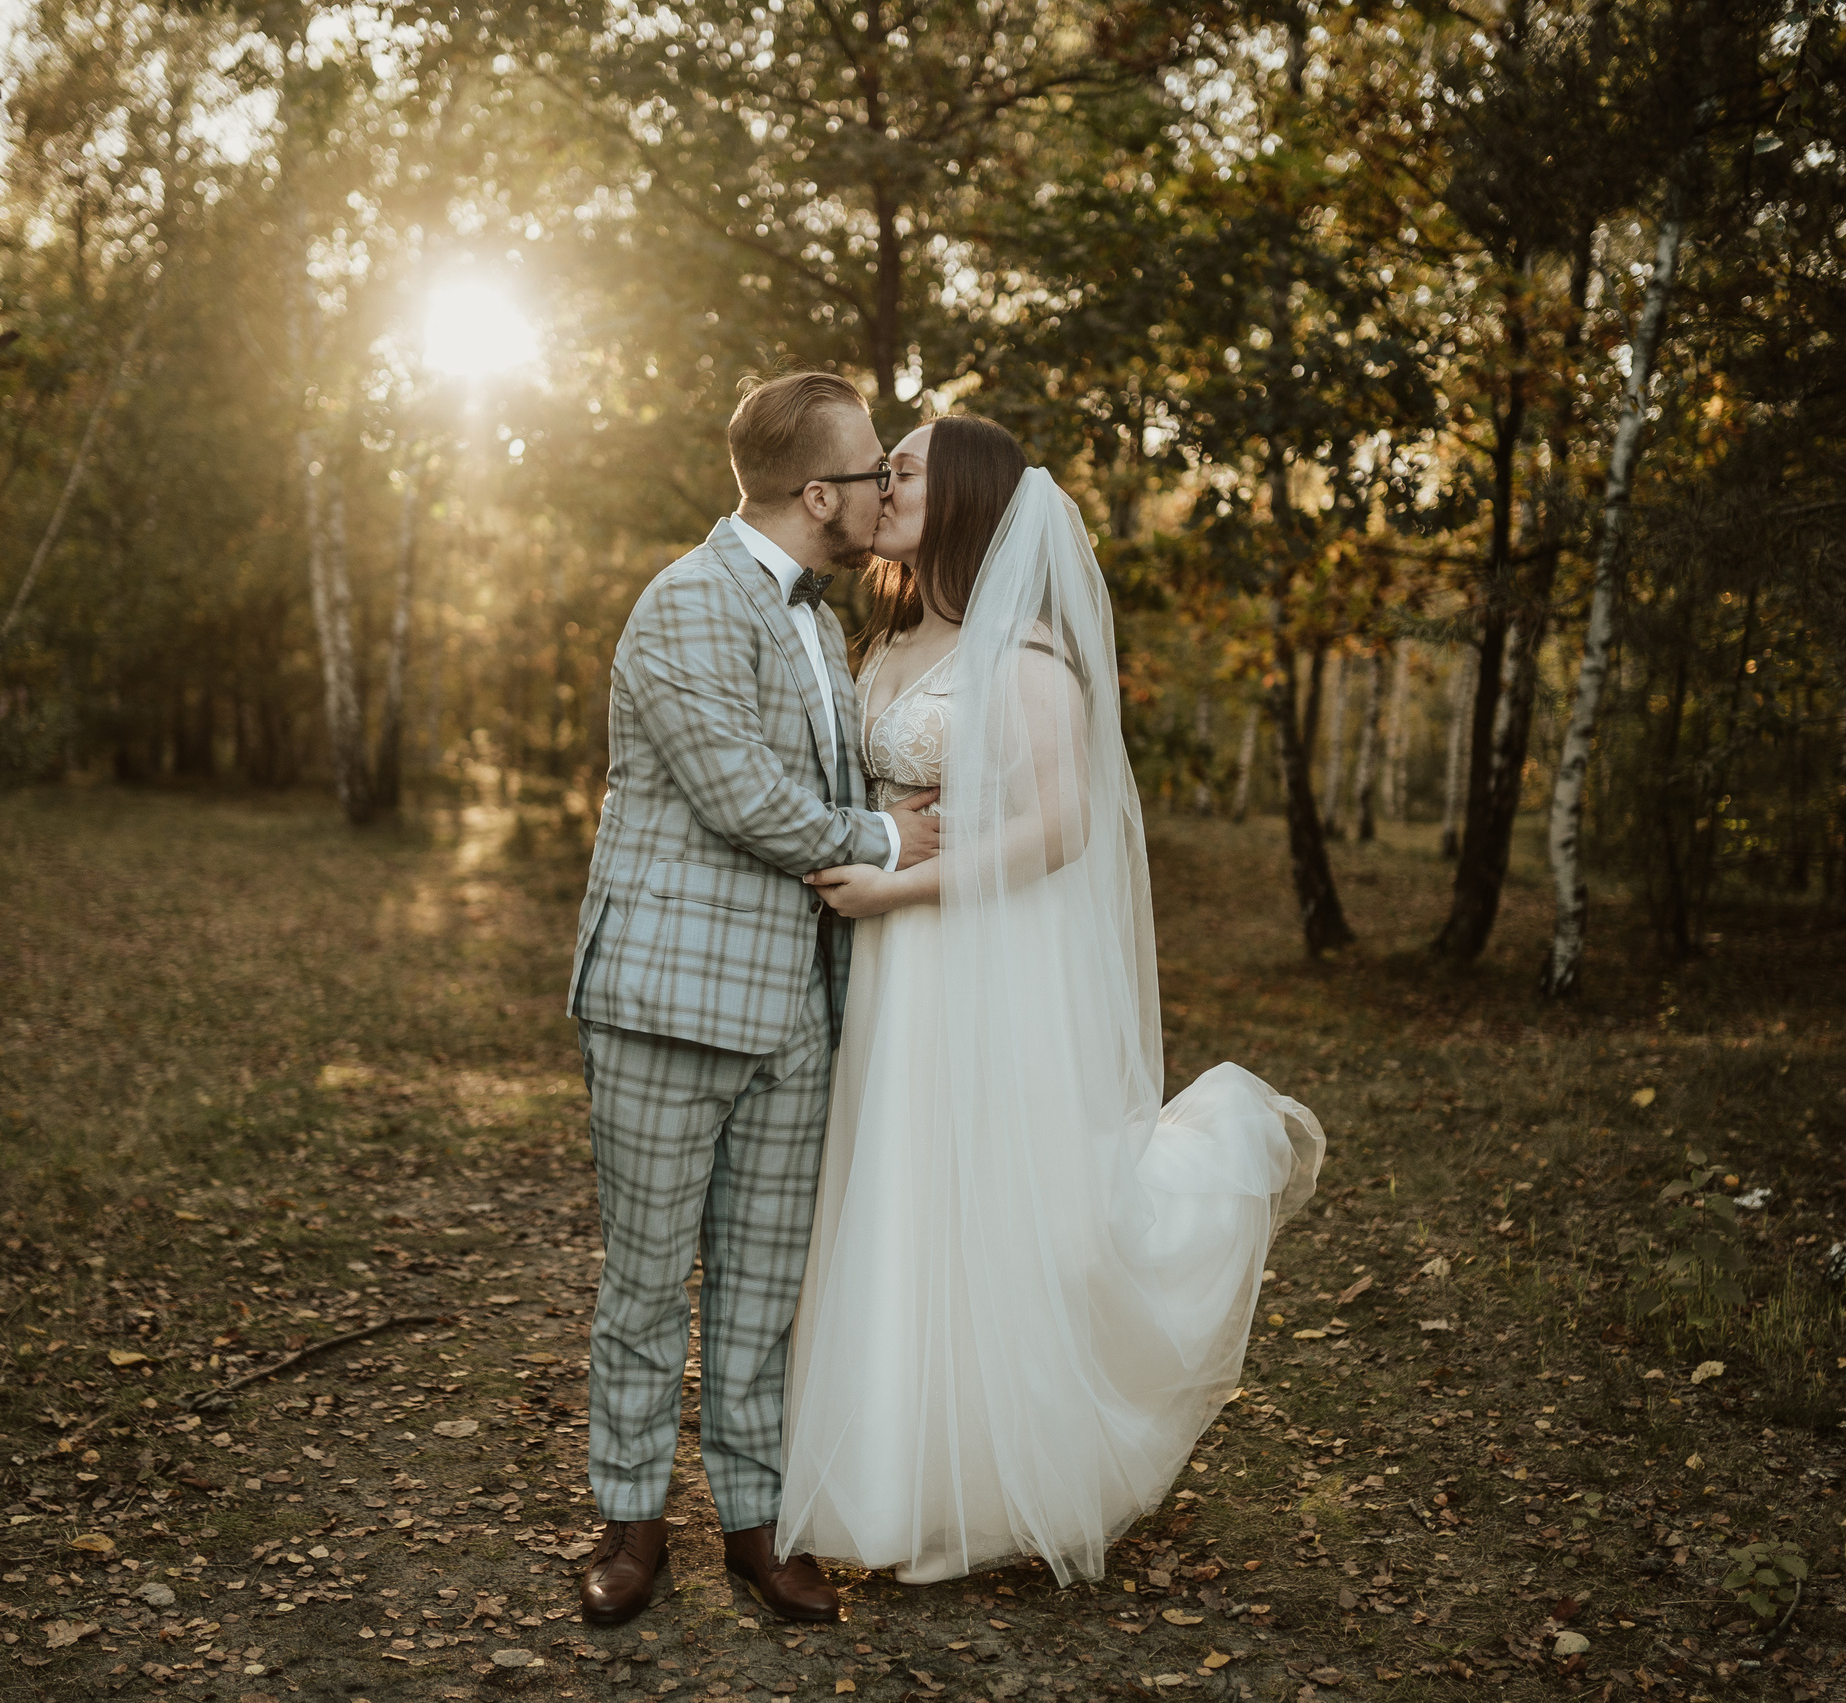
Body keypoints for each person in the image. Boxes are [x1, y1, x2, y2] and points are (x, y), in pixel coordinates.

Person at [778, 415, 1327, 1585]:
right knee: (896, 1193)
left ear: (966, 496)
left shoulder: (1019, 653)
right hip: (885, 965)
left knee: (975, 1198)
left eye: (908, 469)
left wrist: (899, 890)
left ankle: (992, 1478)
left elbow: (1064, 825)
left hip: (972, 957)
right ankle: (888, 1475)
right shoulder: (885, 640)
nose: (886, 481)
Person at [565, 373, 944, 1625]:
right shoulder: (686, 601)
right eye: (872, 472)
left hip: (796, 1009)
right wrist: (892, 842)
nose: (887, 488)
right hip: (672, 1001)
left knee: (764, 1290)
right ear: (816, 493)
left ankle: (752, 1523)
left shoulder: (819, 620)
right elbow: (744, 801)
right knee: (645, 1283)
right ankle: (629, 1526)